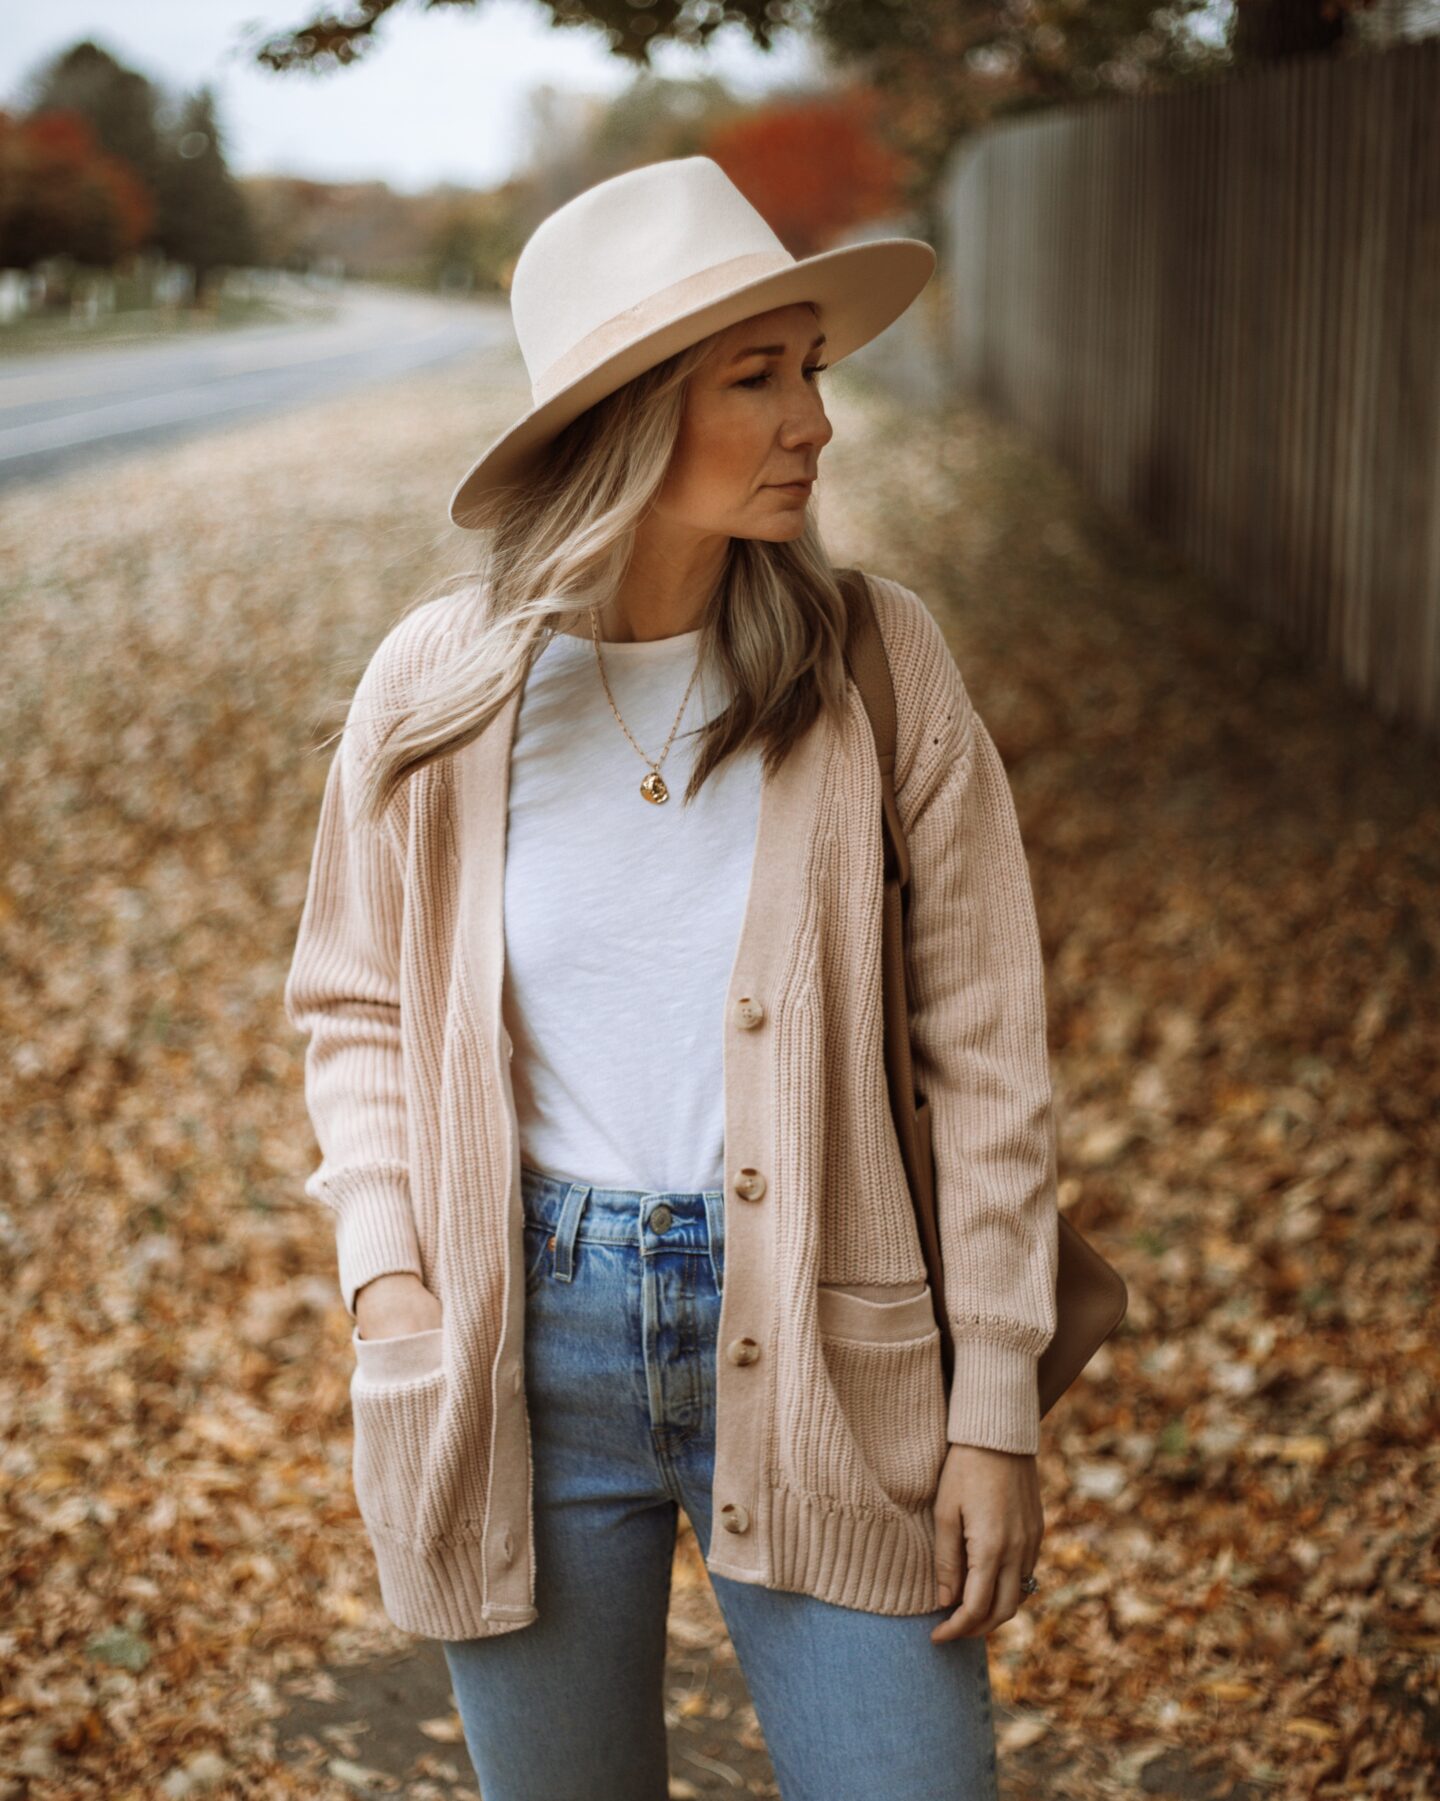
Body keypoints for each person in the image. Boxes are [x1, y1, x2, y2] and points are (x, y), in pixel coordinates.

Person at [283, 156, 1058, 1801]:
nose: (816, 425)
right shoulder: (438, 684)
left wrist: (994, 1405)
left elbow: (988, 1052)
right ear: (632, 413)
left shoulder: (873, 663)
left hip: (834, 1332)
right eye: (758, 377)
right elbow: (351, 1000)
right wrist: (391, 1280)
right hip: (515, 1347)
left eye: (813, 372)